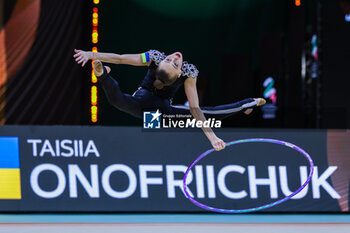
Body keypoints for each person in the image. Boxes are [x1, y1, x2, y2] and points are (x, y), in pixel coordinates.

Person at [74, 49, 266, 151]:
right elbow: (123, 59)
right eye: (171, 61)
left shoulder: (186, 71)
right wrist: (91, 55)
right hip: (144, 110)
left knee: (209, 115)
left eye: (173, 62)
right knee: (118, 101)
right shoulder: (155, 59)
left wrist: (212, 137)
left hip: (164, 114)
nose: (174, 57)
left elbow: (195, 109)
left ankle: (246, 105)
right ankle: (103, 75)